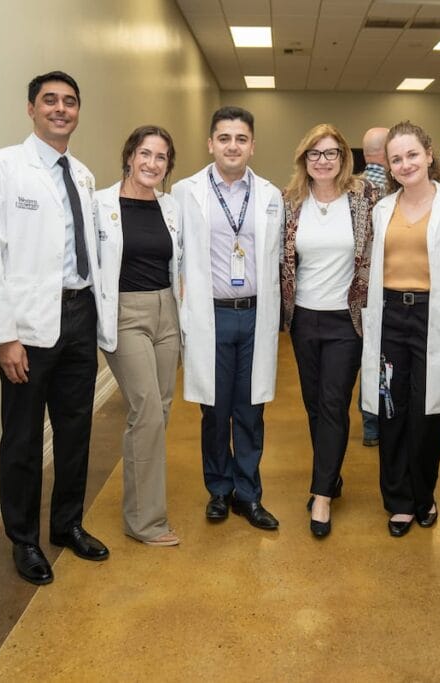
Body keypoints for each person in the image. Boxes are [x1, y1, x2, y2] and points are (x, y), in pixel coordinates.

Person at [0, 71, 109, 585]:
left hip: (79, 316)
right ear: (31, 108)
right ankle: (24, 540)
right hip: (27, 327)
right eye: (49, 100)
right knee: (24, 439)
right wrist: (3, 335)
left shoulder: (83, 174)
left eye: (69, 102)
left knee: (76, 431)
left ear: (78, 111)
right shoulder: (1, 168)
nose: (60, 109)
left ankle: (67, 525)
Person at [359, 121, 440, 538]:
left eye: (412, 154)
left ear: (429, 155)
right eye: (396, 158)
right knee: (392, 411)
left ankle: (424, 495)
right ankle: (399, 501)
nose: (405, 164)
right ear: (388, 166)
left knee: (429, 417)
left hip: (435, 317)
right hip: (392, 317)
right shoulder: (382, 209)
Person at [173, 106, 283, 531]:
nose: (232, 146)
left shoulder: (271, 196)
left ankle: (249, 494)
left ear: (252, 145)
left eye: (240, 139)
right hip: (211, 317)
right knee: (215, 411)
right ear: (210, 143)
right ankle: (219, 491)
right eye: (224, 138)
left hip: (255, 315)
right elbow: (175, 254)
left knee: (251, 409)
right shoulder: (186, 192)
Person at [281, 123, 379, 537]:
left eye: (331, 153)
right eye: (315, 154)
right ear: (305, 159)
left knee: (334, 403)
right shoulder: (291, 202)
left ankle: (321, 495)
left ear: (343, 158)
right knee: (314, 405)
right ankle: (331, 475)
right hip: (304, 318)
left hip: (346, 319)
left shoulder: (364, 198)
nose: (323, 161)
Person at [94, 126, 182, 547]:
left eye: (161, 157)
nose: (152, 163)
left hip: (168, 311)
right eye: (145, 153)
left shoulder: (171, 207)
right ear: (129, 156)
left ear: (168, 166)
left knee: (159, 411)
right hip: (126, 314)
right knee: (145, 410)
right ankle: (145, 521)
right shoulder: (100, 205)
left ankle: (138, 505)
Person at [358, 126, 390, 447]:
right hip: (385, 286)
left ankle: (370, 425)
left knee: (366, 356)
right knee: (382, 355)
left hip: (356, 288)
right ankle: (379, 421)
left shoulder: (351, 187)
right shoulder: (394, 192)